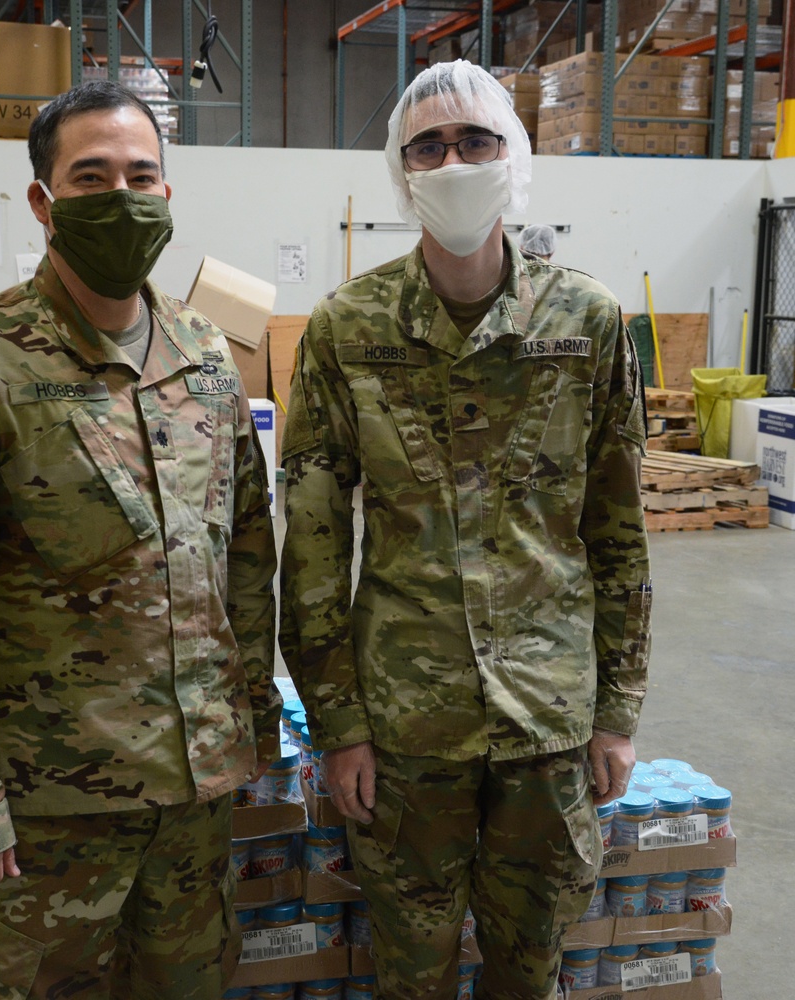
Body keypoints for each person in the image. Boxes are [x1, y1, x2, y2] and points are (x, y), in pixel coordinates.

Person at [0, 80, 281, 1000]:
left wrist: (250, 736)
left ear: (167, 195)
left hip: (191, 805)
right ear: (44, 202)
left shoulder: (206, 357)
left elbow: (244, 557)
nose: (120, 195)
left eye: (140, 175)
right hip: (39, 815)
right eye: (90, 177)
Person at [279, 60, 651, 1000]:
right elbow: (315, 551)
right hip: (406, 724)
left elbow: (617, 529)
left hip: (550, 720)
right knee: (412, 970)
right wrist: (339, 726)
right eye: (429, 146)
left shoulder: (588, 321)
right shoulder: (345, 330)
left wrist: (617, 712)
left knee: (531, 966)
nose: (453, 161)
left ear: (513, 158)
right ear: (403, 170)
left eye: (476, 141)